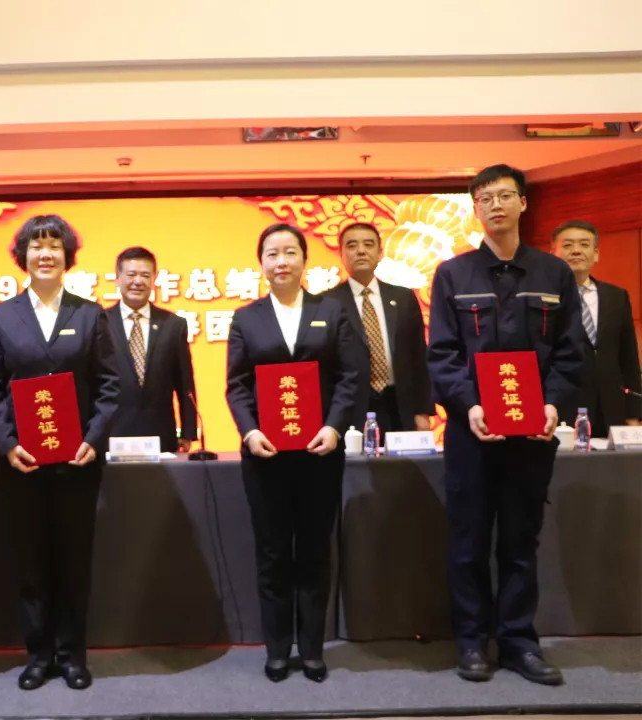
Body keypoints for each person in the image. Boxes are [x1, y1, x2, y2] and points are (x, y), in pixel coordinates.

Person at [427, 164, 584, 686]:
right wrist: (468, 404)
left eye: (504, 196)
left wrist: (554, 404)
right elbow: (442, 354)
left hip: (532, 435)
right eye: (485, 198)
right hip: (471, 433)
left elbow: (570, 353)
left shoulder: (553, 274)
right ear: (475, 209)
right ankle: (472, 641)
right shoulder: (453, 275)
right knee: (468, 542)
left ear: (523, 203)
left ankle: (518, 641)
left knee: (520, 541)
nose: (495, 205)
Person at [0, 214, 121, 691]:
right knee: (31, 563)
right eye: (36, 246)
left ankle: (73, 656)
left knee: (74, 561)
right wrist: (8, 444)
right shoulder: (2, 316)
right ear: (23, 255)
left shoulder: (89, 314)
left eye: (54, 246)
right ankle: (38, 656)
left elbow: (109, 386)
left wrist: (92, 439)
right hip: (21, 463)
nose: (45, 254)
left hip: (77, 462)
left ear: (67, 256)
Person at [226, 223, 364, 683]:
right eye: (272, 253)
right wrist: (249, 432)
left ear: (305, 259)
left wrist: (333, 426)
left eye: (290, 252)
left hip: (318, 453)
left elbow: (349, 376)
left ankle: (312, 649)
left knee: (314, 552)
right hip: (265, 457)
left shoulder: (332, 311)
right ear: (261, 263)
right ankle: (277, 648)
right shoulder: (246, 318)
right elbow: (237, 385)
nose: (281, 261)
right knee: (272, 553)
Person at [325, 222, 434, 432]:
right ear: (341, 254)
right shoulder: (327, 303)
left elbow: (419, 357)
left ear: (380, 252)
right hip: (350, 407)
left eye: (368, 244)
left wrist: (422, 411)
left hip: (399, 405)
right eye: (352, 245)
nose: (361, 251)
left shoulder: (403, 298)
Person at [551, 219, 641, 436]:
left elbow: (628, 359)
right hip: (563, 411)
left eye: (584, 244)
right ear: (552, 253)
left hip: (612, 410)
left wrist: (635, 413)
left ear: (596, 253)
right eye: (567, 245)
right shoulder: (544, 298)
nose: (576, 251)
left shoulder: (616, 296)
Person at [105, 246, 198, 452]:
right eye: (131, 274)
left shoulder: (173, 324)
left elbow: (185, 382)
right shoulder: (100, 322)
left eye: (145, 275)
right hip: (111, 435)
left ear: (154, 279)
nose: (138, 281)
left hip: (160, 435)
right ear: (118, 278)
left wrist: (188, 431)